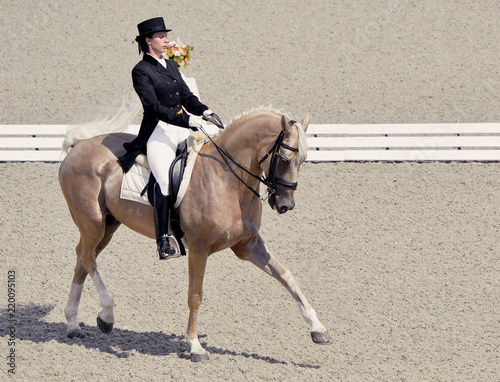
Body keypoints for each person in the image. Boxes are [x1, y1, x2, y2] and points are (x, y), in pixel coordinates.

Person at [118, 17, 216, 260]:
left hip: (183, 129)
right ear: (148, 41)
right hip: (159, 132)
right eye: (161, 36)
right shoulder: (141, 71)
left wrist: (203, 110)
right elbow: (153, 107)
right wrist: (187, 120)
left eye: (165, 35)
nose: (166, 40)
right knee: (163, 179)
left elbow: (186, 95)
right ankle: (163, 240)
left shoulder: (171, 66)